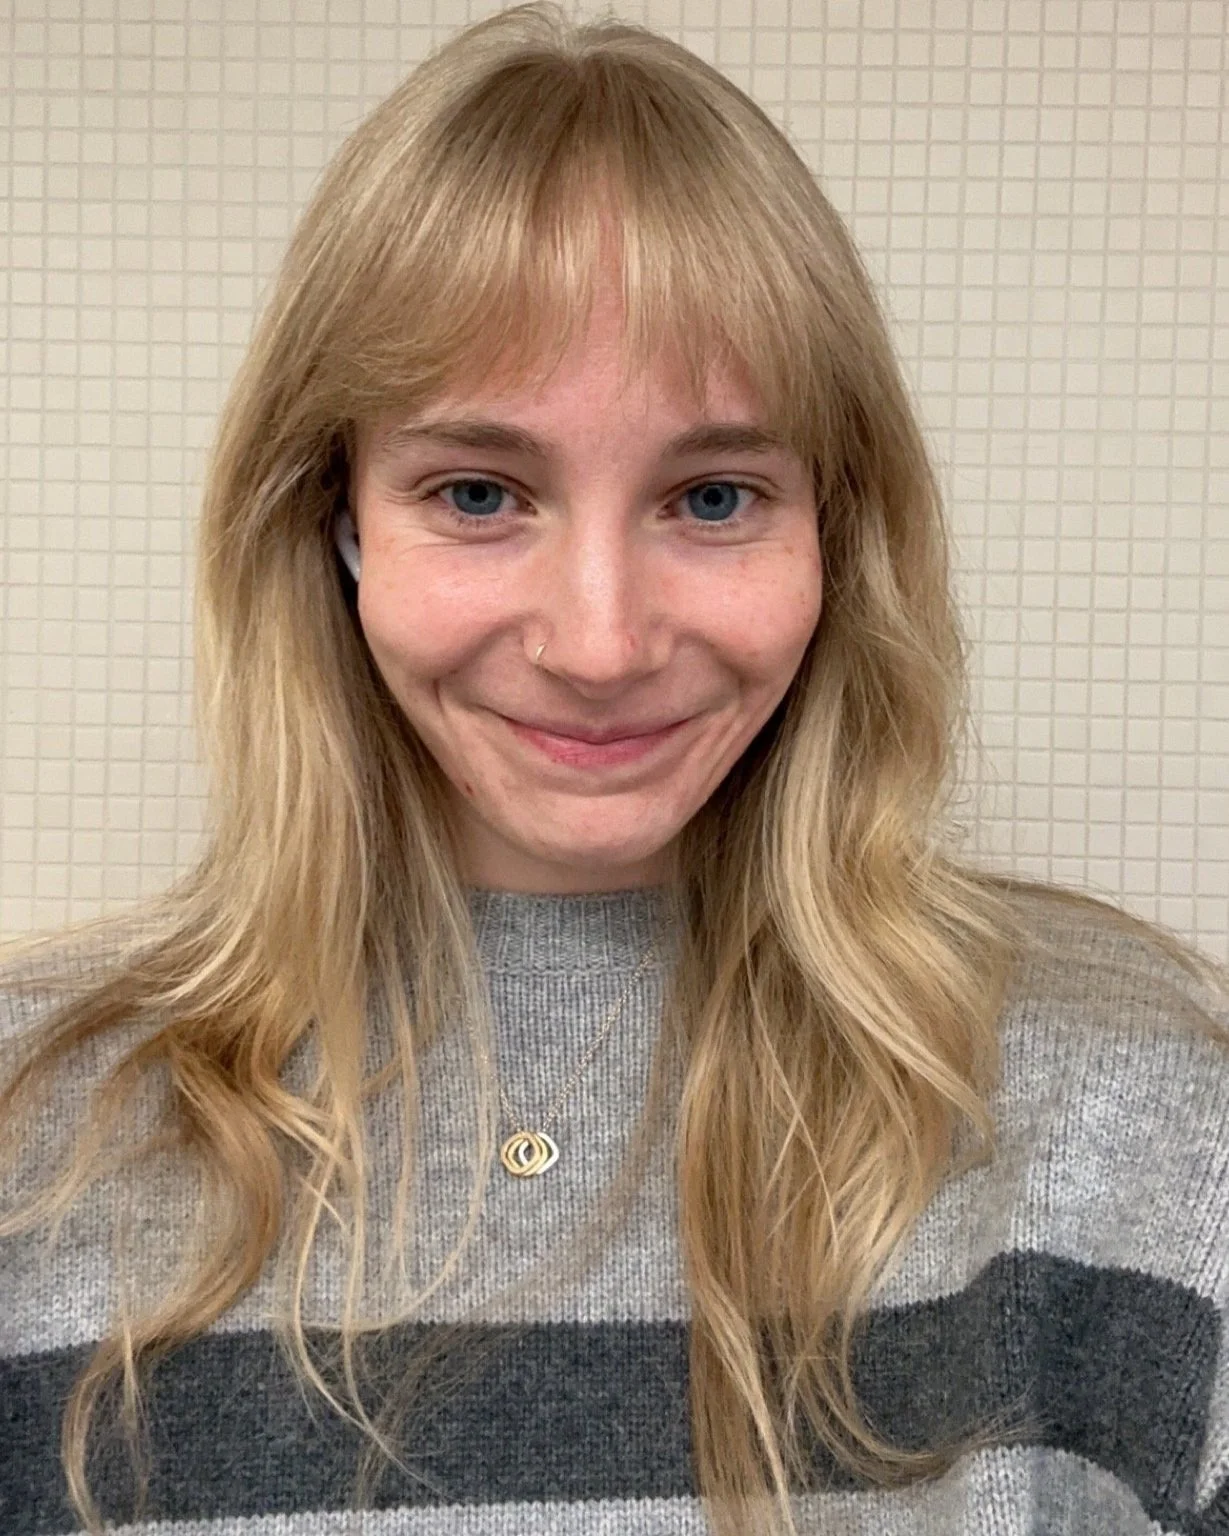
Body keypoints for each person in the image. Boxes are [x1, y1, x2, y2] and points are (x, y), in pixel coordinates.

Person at [1, 4, 1226, 1534]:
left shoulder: (1142, 1120)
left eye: (712, 498)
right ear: (336, 523)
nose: (599, 643)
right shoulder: (35, 1133)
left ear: (839, 536)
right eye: (478, 493)